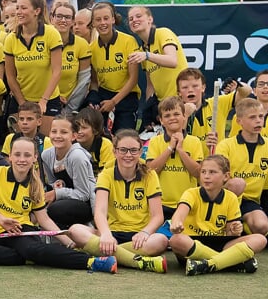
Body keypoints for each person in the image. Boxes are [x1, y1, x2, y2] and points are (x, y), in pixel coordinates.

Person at [0, 138, 117, 273]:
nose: (22, 159)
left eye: (27, 155)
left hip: (21, 231)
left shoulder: (35, 185)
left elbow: (44, 220)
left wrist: (67, 241)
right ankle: (27, 258)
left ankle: (89, 262)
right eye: (17, 154)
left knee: (31, 249)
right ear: (10, 157)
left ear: (35, 158)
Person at [65, 129, 168, 272]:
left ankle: (103, 253)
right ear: (115, 152)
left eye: (133, 150)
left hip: (138, 238)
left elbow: (158, 216)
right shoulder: (106, 175)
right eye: (123, 150)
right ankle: (138, 262)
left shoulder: (150, 175)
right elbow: (100, 211)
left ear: (140, 152)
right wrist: (106, 234)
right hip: (110, 233)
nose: (128, 155)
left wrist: (145, 233)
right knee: (75, 230)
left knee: (161, 241)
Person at [168, 154, 266, 276]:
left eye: (212, 172)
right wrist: (176, 222)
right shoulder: (191, 193)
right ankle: (230, 264)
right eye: (203, 172)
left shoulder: (231, 198)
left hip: (221, 244)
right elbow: (180, 213)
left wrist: (234, 231)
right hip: (191, 244)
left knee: (260, 239)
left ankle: (208, 265)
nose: (206, 176)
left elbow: (230, 234)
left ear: (226, 176)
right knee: (176, 240)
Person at [219, 96, 268, 237]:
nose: (258, 120)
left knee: (262, 227)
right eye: (252, 117)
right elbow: (218, 180)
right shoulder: (226, 145)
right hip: (225, 199)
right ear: (239, 121)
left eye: (261, 116)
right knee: (238, 184)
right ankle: (227, 222)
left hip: (250, 201)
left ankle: (240, 227)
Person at [2, 0, 63, 129]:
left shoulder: (51, 33)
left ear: (37, 11)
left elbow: (57, 71)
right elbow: (10, 76)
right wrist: (22, 103)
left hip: (48, 99)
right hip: (21, 100)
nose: (19, 12)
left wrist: (44, 101)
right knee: (21, 146)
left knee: (46, 144)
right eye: (17, 8)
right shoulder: (11, 39)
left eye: (23, 8)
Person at [126, 5, 184, 128]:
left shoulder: (162, 33)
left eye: (138, 16)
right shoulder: (143, 49)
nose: (134, 20)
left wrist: (147, 55)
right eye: (131, 19)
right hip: (164, 106)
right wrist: (149, 110)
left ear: (150, 19)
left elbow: (173, 61)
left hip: (181, 101)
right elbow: (150, 85)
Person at [145, 95, 205, 216]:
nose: (172, 118)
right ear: (161, 121)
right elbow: (150, 171)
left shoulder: (194, 142)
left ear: (184, 116)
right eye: (167, 116)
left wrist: (181, 150)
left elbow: (198, 173)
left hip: (187, 203)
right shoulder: (155, 141)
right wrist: (169, 148)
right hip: (160, 203)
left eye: (176, 114)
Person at [86, 1, 139, 132]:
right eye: (98, 19)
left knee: (125, 137)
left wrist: (113, 102)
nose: (102, 23)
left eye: (106, 18)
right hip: (104, 99)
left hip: (126, 98)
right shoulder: (91, 49)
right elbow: (94, 81)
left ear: (113, 19)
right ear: (93, 23)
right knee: (102, 138)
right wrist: (93, 98)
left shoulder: (128, 41)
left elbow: (133, 79)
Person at [38, 116, 95, 228]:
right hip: (64, 197)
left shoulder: (77, 156)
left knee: (55, 209)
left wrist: (56, 193)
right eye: (54, 131)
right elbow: (53, 183)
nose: (58, 136)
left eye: (64, 132)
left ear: (73, 136)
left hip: (85, 203)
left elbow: (84, 194)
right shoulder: (46, 154)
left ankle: (86, 226)